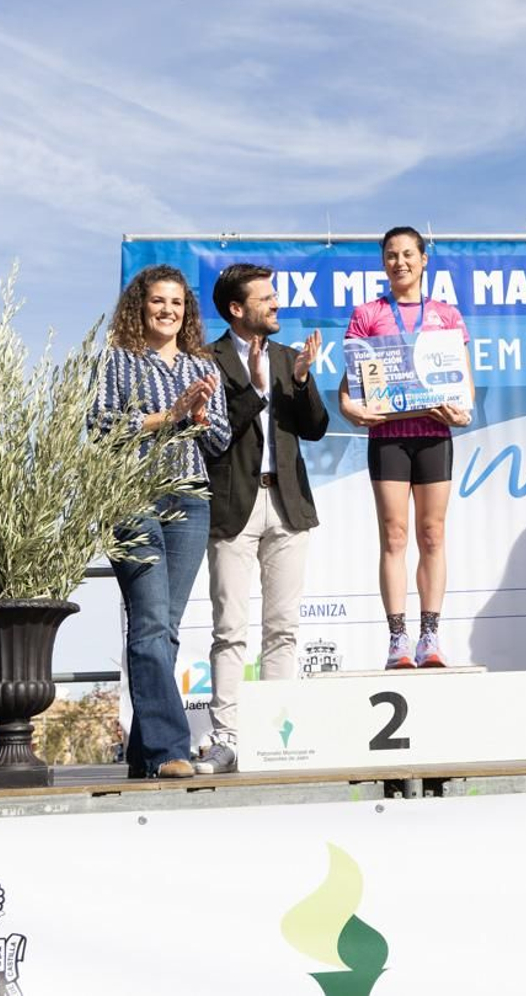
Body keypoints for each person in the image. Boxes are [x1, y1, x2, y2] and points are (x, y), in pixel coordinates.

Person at [91, 264, 231, 779]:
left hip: (189, 499)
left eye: (176, 303)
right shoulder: (116, 361)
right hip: (131, 497)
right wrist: (167, 417)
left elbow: (219, 439)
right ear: (140, 307)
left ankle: (143, 751)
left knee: (164, 631)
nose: (168, 310)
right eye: (158, 302)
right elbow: (100, 425)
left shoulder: (201, 365)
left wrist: (196, 416)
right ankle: (171, 748)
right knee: (149, 624)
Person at [193, 263, 330, 776]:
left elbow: (314, 428)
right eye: (266, 299)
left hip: (288, 504)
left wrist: (302, 379)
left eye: (276, 297)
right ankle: (227, 737)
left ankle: (277, 734)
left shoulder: (289, 357)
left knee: (284, 628)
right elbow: (217, 435)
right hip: (234, 506)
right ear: (236, 308)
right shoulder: (207, 360)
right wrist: (253, 387)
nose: (276, 305)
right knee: (230, 629)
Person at [338, 227, 472, 670]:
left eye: (408, 254)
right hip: (388, 438)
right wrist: (351, 409)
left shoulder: (447, 317)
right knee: (394, 536)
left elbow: (464, 389)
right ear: (383, 263)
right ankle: (397, 639)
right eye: (391, 255)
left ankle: (429, 636)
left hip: (434, 435)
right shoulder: (367, 314)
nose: (400, 262)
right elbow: (349, 388)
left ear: (423, 259)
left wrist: (462, 412)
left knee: (432, 534)